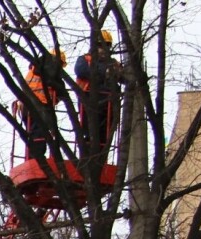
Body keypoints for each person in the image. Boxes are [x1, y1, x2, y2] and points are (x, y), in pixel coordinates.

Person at [75, 29, 123, 164]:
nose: (104, 49)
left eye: (107, 46)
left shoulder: (113, 63)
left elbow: (124, 77)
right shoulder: (84, 60)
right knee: (90, 133)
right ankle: (88, 161)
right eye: (101, 45)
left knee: (105, 136)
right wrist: (105, 72)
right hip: (89, 101)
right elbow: (81, 71)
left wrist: (119, 73)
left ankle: (100, 162)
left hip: (108, 104)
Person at [15, 49, 67, 159]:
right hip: (38, 105)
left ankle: (35, 156)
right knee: (39, 132)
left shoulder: (37, 67)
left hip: (26, 106)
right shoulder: (46, 69)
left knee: (36, 132)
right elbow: (60, 91)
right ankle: (37, 158)